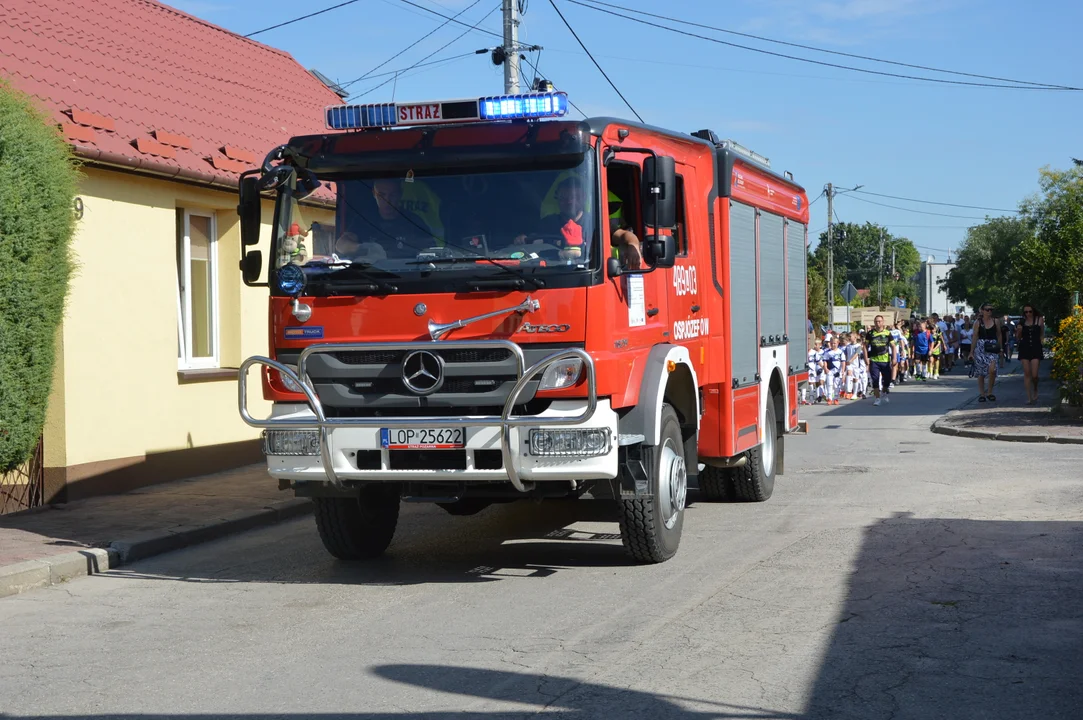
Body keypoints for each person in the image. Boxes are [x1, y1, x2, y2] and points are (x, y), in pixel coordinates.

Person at [349, 177, 436, 259]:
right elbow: (341, 244)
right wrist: (363, 247)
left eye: (392, 195)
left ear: (400, 194)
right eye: (382, 195)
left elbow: (431, 251)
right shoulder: (364, 220)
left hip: (407, 273)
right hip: (370, 272)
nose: (387, 200)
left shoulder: (413, 222)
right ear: (374, 194)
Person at [970, 303, 1004, 402]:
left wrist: (1001, 348)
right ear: (982, 311)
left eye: (991, 310)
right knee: (981, 372)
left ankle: (989, 392)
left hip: (993, 346)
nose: (989, 312)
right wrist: (971, 351)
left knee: (992, 370)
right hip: (981, 346)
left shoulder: (995, 321)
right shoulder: (978, 322)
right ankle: (982, 394)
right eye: (987, 309)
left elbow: (999, 335)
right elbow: (975, 336)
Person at [863, 315, 896, 407]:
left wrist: (894, 358)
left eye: (879, 321)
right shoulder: (870, 333)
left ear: (883, 322)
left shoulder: (888, 333)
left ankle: (884, 392)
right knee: (875, 380)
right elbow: (865, 346)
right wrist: (866, 358)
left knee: (887, 380)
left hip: (885, 360)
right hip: (874, 360)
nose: (878, 323)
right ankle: (877, 398)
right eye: (876, 321)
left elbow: (893, 346)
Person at [1016, 304, 1045, 404]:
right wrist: (1019, 331)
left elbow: (1042, 332)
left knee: (1035, 375)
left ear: (1033, 311)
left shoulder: (1039, 319)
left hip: (1036, 347)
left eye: (1030, 311)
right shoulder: (1022, 321)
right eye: (1026, 312)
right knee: (1027, 372)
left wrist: (1041, 340)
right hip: (1025, 347)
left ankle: (1035, 388)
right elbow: (1018, 337)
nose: (1028, 314)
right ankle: (1029, 397)